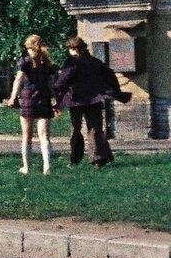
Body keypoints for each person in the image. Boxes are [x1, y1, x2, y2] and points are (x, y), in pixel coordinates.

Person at [53, 36, 130, 168]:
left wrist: (54, 86)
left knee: (76, 130)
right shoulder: (95, 61)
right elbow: (110, 74)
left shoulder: (72, 62)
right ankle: (98, 159)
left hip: (76, 100)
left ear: (73, 49)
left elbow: (62, 81)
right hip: (94, 100)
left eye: (69, 48)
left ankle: (74, 159)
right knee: (95, 129)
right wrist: (114, 92)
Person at [5, 34, 56, 175]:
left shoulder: (24, 62)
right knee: (44, 136)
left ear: (29, 47)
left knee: (26, 136)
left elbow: (18, 80)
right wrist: (55, 98)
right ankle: (47, 166)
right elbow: (51, 83)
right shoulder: (47, 62)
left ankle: (26, 167)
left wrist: (13, 97)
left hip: (28, 98)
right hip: (44, 98)